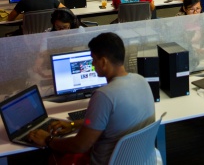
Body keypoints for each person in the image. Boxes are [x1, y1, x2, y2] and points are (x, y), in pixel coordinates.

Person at [29, 32, 156, 165]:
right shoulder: (141, 80)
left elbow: (80, 145)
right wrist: (73, 124)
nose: (93, 64)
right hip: (141, 159)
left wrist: (48, 140)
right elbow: (111, 121)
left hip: (107, 162)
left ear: (103, 61)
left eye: (93, 59)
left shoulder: (103, 95)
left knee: (54, 156)